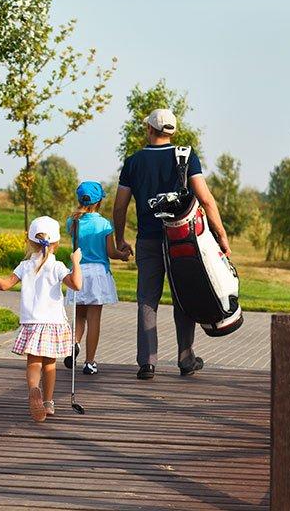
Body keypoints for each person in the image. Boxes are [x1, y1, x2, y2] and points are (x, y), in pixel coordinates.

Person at [113, 108, 231, 380]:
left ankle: (147, 363)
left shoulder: (133, 162)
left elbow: (120, 207)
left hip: (148, 239)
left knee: (147, 298)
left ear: (149, 129)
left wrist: (120, 240)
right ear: (173, 132)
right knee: (183, 295)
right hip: (182, 239)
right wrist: (221, 235)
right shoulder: (187, 156)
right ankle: (185, 358)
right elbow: (207, 199)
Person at [0, 216, 82, 423]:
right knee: (50, 364)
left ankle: (34, 389)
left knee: (33, 363)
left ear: (29, 242)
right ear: (56, 243)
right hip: (54, 323)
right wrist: (76, 263)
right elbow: (77, 284)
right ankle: (48, 402)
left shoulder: (25, 265)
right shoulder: (58, 266)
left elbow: (4, 285)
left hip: (32, 323)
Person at [64, 181, 130, 375]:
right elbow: (111, 252)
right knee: (94, 319)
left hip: (78, 271)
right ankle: (89, 362)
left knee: (79, 316)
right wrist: (123, 254)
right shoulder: (103, 224)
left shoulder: (72, 222)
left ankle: (74, 344)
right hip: (97, 274)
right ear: (99, 201)